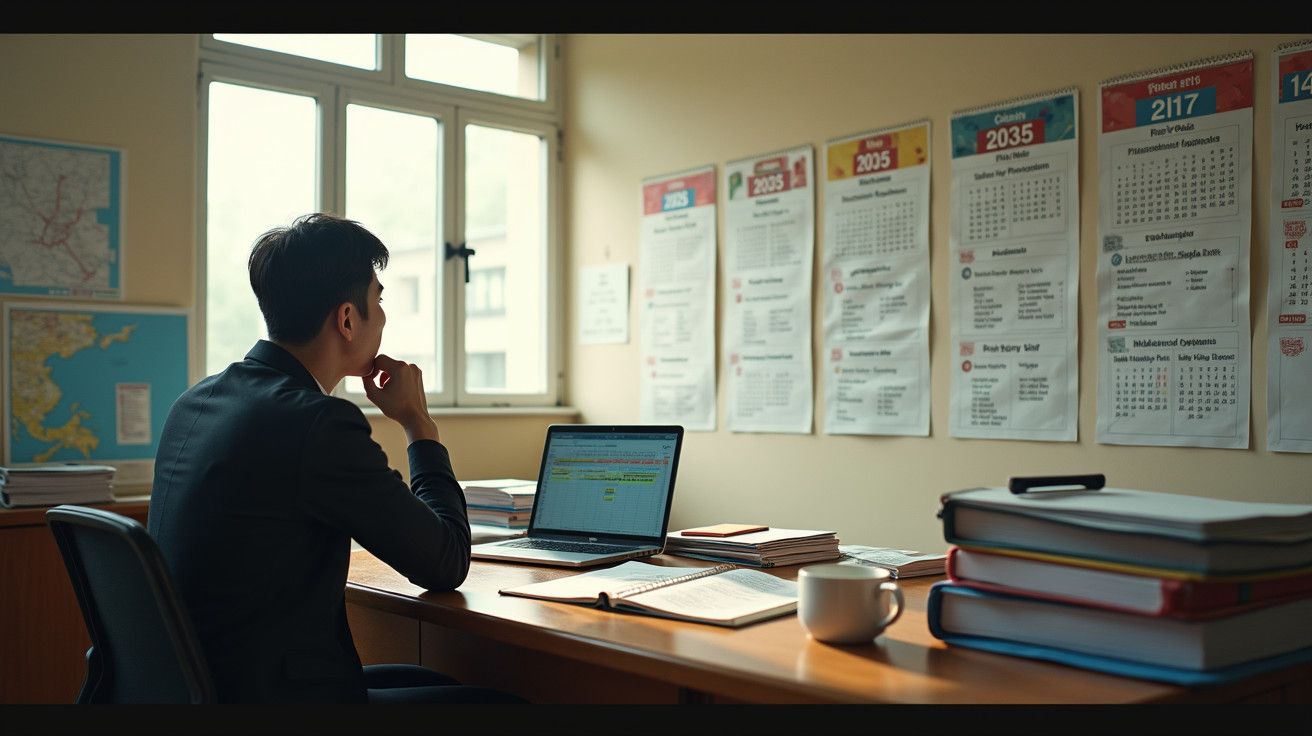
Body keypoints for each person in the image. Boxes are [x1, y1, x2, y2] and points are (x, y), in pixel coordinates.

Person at [147, 213, 521, 704]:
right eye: (379, 300)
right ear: (347, 319)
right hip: (273, 698)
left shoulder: (196, 402)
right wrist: (419, 426)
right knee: (503, 703)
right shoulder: (315, 423)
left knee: (441, 684)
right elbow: (445, 563)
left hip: (200, 687)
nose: (383, 316)